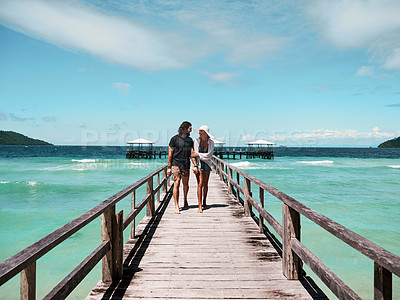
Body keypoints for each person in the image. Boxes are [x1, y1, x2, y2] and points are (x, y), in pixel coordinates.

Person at [167, 121, 199, 214]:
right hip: (175, 164)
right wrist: (169, 167)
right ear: (184, 128)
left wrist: (195, 165)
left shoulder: (190, 140)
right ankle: (176, 205)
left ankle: (185, 199)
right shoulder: (174, 139)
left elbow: (192, 154)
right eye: (190, 128)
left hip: (186, 165)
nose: (191, 130)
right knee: (176, 183)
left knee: (186, 184)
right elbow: (170, 153)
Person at [192, 125, 215, 213]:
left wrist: (198, 155)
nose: (199, 133)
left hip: (207, 164)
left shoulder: (211, 142)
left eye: (201, 131)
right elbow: (193, 154)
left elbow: (209, 155)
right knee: (200, 183)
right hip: (198, 164)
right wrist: (196, 162)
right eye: (199, 131)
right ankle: (200, 205)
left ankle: (204, 200)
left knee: (205, 184)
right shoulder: (196, 141)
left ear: (206, 133)